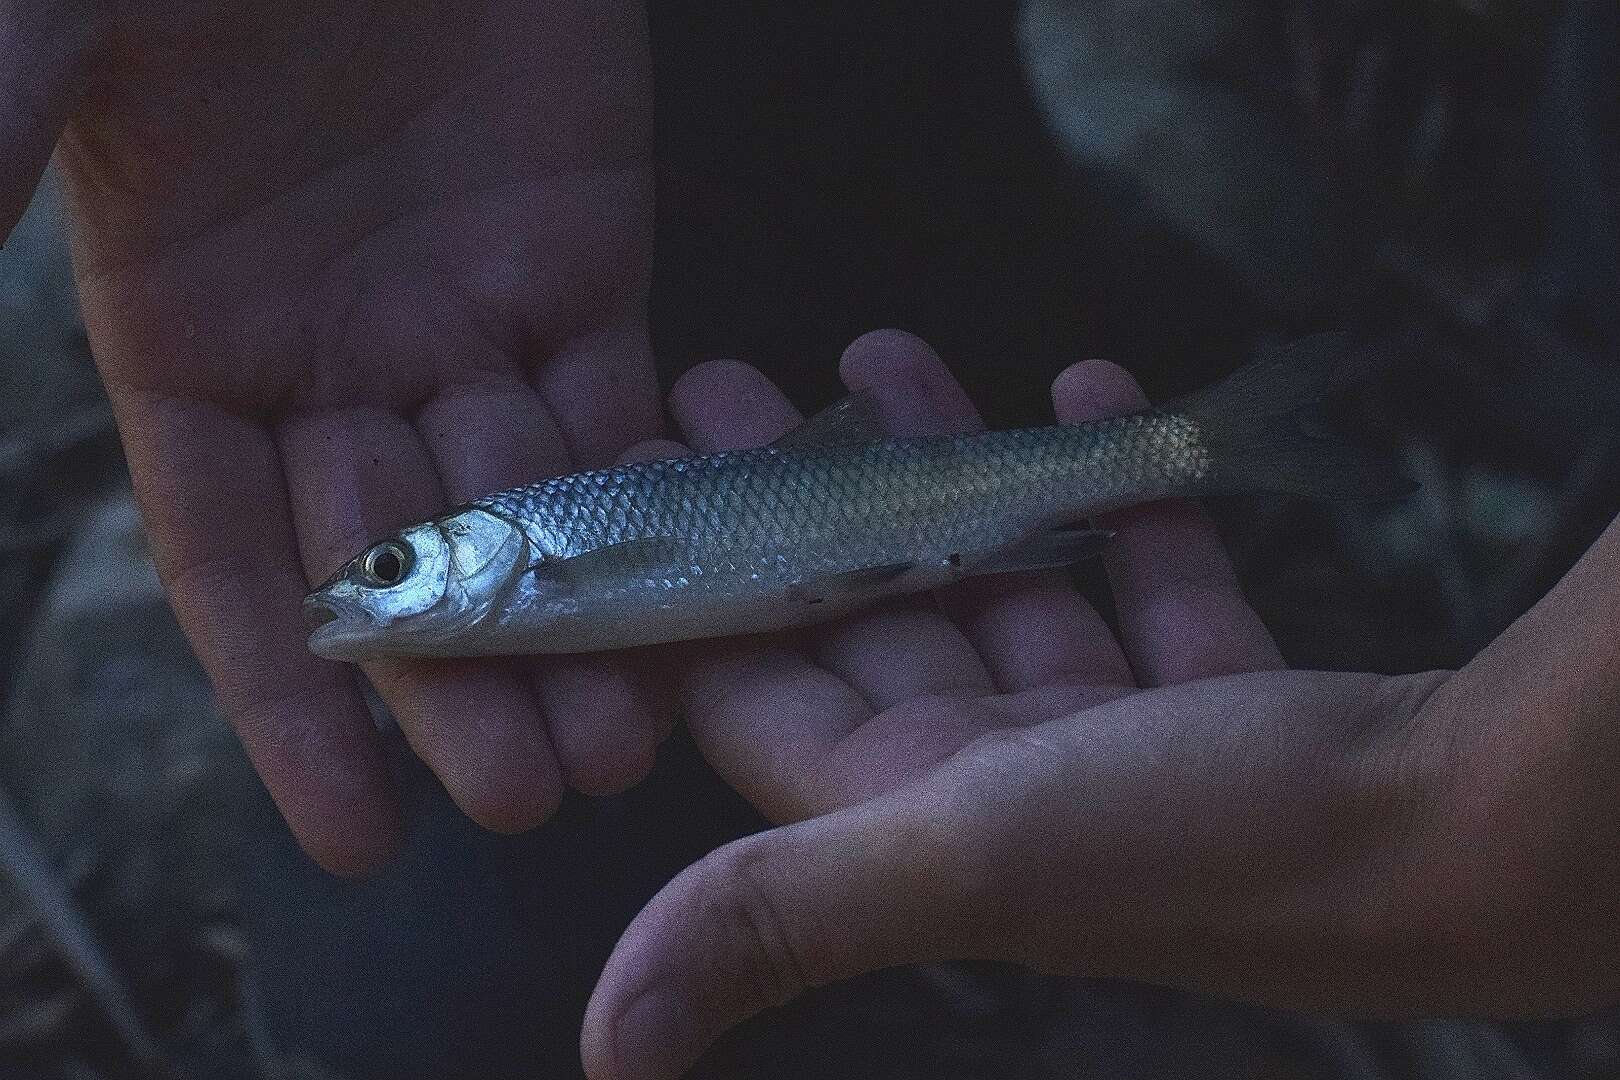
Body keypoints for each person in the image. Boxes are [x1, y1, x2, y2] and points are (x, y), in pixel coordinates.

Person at [2, 5, 1614, 1080]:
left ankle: (1220, 434)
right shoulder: (528, 546)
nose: (366, 594)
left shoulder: (536, 557)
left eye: (389, 569)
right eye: (381, 573)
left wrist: (1488, 798)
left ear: (479, 554)